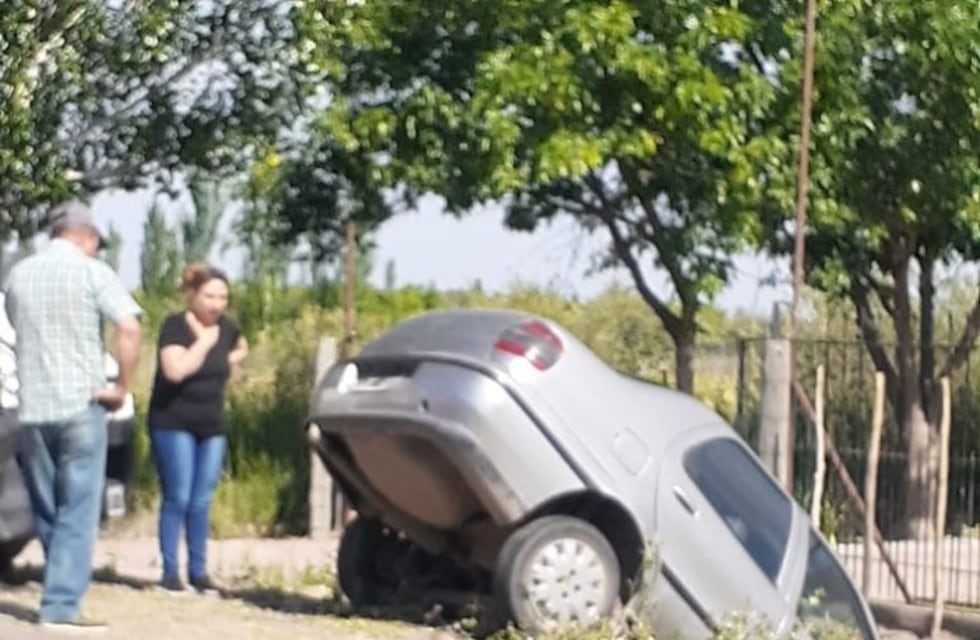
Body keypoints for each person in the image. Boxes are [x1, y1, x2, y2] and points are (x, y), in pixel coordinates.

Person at [3, 200, 142, 630]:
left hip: (33, 407)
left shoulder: (19, 275)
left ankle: (56, 586)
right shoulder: (92, 271)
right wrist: (121, 385)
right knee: (78, 508)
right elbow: (129, 325)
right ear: (87, 236)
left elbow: (12, 326)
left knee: (47, 507)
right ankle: (61, 606)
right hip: (81, 404)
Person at [148, 263, 247, 593]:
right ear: (192, 295)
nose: (216, 304)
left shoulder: (228, 329)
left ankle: (199, 571)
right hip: (173, 421)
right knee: (177, 495)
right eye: (209, 296)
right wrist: (204, 344)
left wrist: (229, 359)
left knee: (201, 500)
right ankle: (170, 572)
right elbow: (175, 370)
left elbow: (241, 347)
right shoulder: (175, 327)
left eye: (223, 297)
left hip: (211, 425)